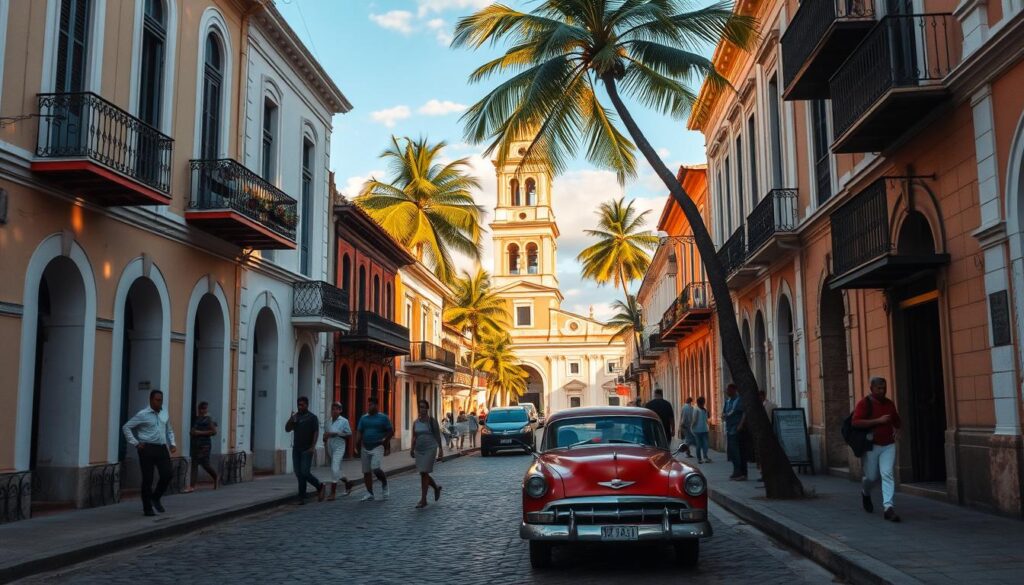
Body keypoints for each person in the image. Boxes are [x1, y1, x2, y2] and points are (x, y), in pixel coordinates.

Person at [853, 377, 903, 522]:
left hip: (888, 445)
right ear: (872, 388)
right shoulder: (864, 403)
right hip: (871, 446)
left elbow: (897, 421)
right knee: (871, 477)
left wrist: (898, 430)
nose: (882, 391)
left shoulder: (889, 404)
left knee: (887, 474)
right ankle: (865, 492)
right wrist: (878, 421)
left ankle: (888, 508)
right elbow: (856, 422)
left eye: (884, 388)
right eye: (879, 388)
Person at [122, 389, 177, 516]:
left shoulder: (164, 413)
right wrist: (135, 443)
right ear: (151, 400)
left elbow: (169, 429)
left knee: (167, 474)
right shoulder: (143, 414)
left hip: (162, 448)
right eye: (157, 400)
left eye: (161, 400)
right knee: (148, 478)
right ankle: (147, 508)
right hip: (147, 448)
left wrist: (172, 443)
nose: (160, 403)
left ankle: (156, 497)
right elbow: (126, 427)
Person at [285, 396, 325, 504]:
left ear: (307, 405)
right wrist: (291, 420)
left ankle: (320, 486)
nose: (300, 407)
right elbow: (287, 429)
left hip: (307, 449)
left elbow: (316, 432)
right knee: (298, 473)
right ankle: (302, 496)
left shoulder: (312, 417)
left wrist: (313, 447)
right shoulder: (296, 417)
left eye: (302, 405)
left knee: (305, 472)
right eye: (299, 405)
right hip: (296, 448)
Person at [354, 396, 394, 501]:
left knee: (375, 468)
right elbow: (359, 432)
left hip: (378, 446)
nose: (369, 406)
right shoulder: (364, 418)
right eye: (368, 404)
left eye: (371, 405)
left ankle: (384, 483)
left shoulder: (383, 418)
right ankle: (370, 493)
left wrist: (385, 441)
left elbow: (391, 431)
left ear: (376, 405)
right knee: (366, 471)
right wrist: (356, 445)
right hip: (365, 446)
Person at [411, 399, 444, 508]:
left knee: (424, 472)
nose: (422, 409)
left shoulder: (432, 421)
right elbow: (414, 436)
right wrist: (412, 449)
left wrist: (441, 449)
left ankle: (423, 500)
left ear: (427, 409)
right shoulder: (415, 422)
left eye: (424, 407)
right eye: (420, 407)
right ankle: (436, 488)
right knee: (423, 473)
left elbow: (437, 435)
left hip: (430, 449)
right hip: (419, 450)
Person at [323, 402, 355, 500]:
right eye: (333, 409)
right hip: (330, 445)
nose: (334, 411)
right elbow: (326, 433)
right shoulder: (328, 421)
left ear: (340, 410)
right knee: (337, 469)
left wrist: (337, 433)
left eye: (336, 409)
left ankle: (333, 493)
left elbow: (349, 434)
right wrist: (325, 438)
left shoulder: (344, 421)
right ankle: (348, 483)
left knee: (334, 467)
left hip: (339, 446)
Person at [185, 401, 218, 492]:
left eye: (205, 408)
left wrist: (200, 433)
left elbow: (214, 432)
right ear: (199, 409)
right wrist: (192, 432)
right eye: (202, 408)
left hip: (205, 445)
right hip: (196, 444)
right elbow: (193, 430)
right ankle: (192, 486)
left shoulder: (208, 419)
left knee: (205, 464)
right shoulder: (196, 419)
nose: (203, 410)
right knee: (194, 464)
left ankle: (215, 476)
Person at [723, 384, 747, 481]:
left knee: (738, 452)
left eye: (729, 390)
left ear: (734, 390)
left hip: (737, 428)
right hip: (729, 428)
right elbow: (724, 412)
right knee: (732, 452)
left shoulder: (739, 400)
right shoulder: (728, 401)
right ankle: (736, 471)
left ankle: (741, 473)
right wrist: (723, 415)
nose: (727, 392)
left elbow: (744, 413)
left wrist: (741, 424)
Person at [691, 396, 711, 463]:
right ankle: (705, 457)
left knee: (699, 445)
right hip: (705, 429)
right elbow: (708, 418)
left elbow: (694, 420)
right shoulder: (705, 409)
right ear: (703, 402)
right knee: (705, 444)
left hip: (697, 430)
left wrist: (692, 427)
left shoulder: (696, 409)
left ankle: (699, 459)